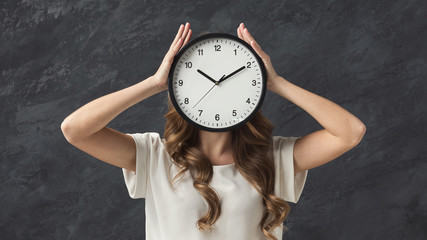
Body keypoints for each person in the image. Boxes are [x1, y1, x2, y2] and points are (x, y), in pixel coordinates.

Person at [61, 22, 366, 240]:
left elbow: (350, 132)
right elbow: (75, 129)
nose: (215, 90)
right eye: (198, 82)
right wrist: (153, 83)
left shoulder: (272, 158)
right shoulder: (155, 156)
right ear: (180, 91)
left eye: (231, 82)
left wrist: (274, 82)